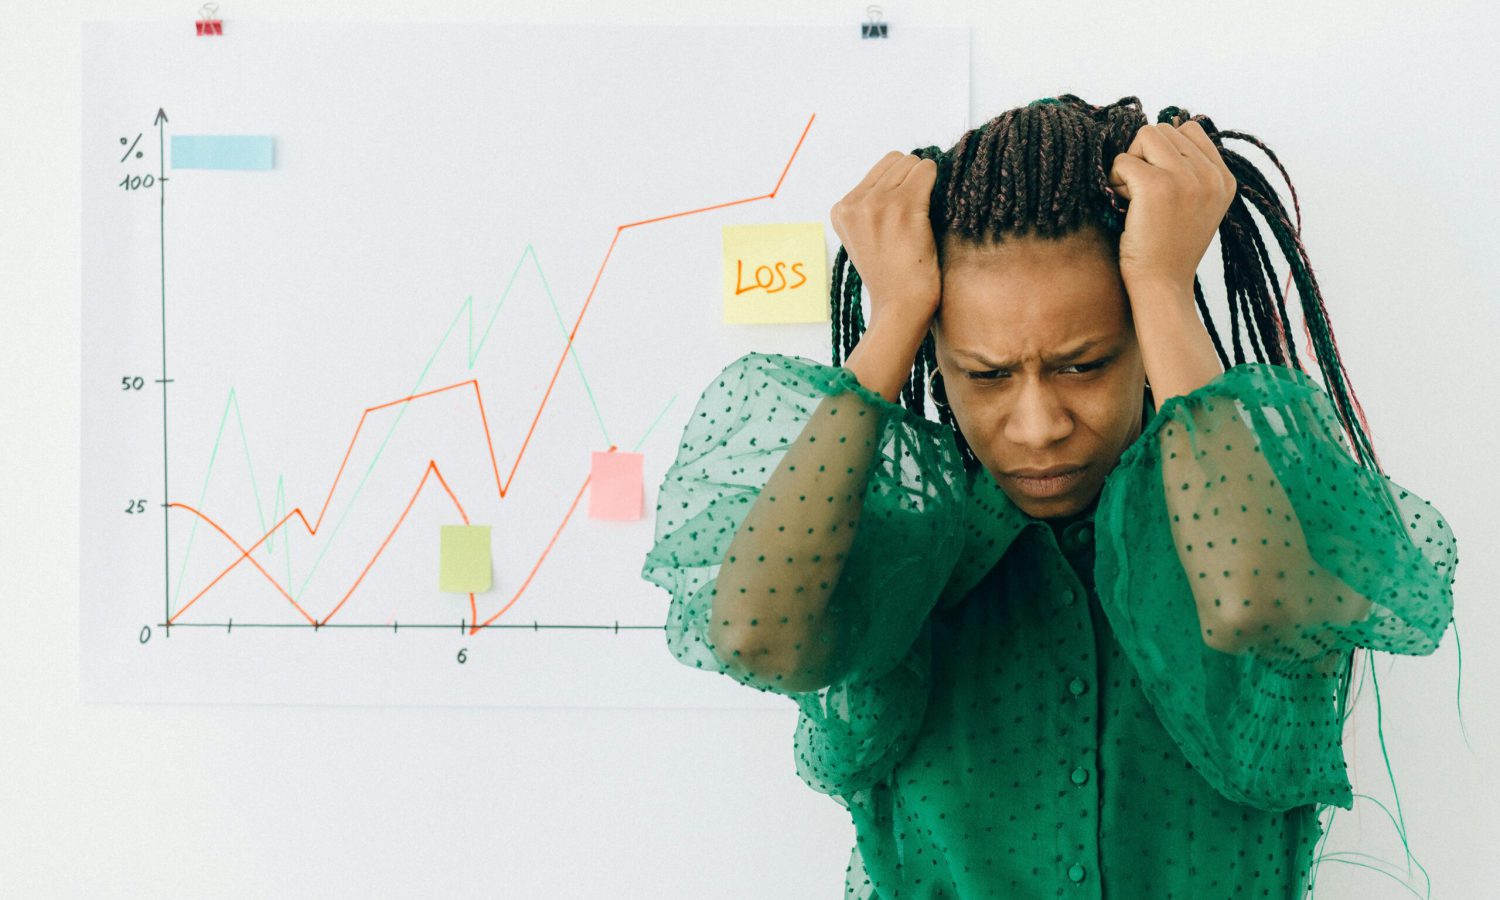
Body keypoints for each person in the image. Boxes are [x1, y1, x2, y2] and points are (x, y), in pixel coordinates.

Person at [641, 94, 1457, 898]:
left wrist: (1164, 284)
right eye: (987, 374)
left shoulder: (1264, 525)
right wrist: (894, 316)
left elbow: (1254, 602)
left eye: (1082, 363)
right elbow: (752, 632)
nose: (1037, 427)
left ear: (1145, 336)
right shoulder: (899, 560)